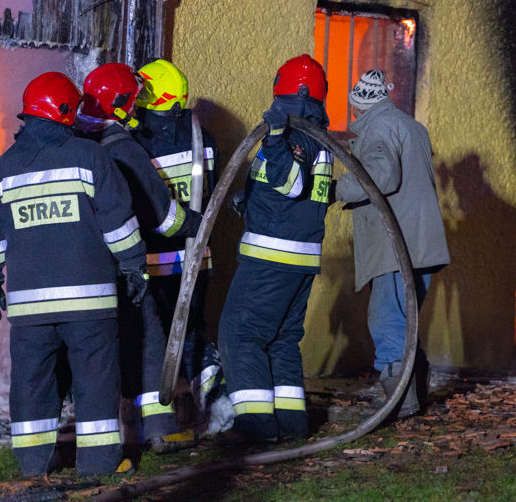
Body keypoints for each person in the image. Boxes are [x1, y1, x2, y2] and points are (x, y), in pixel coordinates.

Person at [0, 72, 144, 476]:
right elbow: (118, 221)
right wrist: (134, 265)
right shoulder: (90, 157)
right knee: (95, 381)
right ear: (68, 112)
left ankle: (34, 464)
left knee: (32, 385)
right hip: (91, 303)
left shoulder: (2, 169)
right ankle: (99, 464)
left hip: (30, 309)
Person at [78, 62, 202, 453]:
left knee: (97, 352)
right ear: (121, 107)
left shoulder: (72, 145)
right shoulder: (123, 148)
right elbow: (166, 219)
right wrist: (199, 222)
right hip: (125, 267)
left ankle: (103, 437)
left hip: (81, 269)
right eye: (132, 105)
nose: (137, 112)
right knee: (149, 341)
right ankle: (162, 429)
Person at [218, 54, 332, 442]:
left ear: (289, 91)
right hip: (298, 259)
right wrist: (247, 200)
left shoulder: (294, 136)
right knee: (282, 340)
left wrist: (278, 139)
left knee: (240, 334)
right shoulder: (318, 137)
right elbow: (290, 195)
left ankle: (256, 425)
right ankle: (291, 422)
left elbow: (293, 184)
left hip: (271, 258)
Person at [334, 69, 450, 418]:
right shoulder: (409, 125)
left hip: (395, 244)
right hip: (421, 243)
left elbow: (381, 176)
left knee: (387, 320)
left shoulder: (378, 127)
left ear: (359, 107)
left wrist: (333, 189)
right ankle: (413, 397)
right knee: (406, 320)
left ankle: (401, 403)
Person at [131, 59, 232, 434]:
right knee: (192, 333)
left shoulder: (138, 142)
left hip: (153, 261)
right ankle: (217, 407)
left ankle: (155, 419)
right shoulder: (202, 137)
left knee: (152, 340)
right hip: (195, 261)